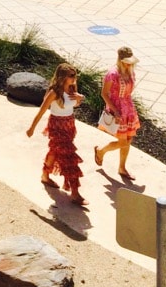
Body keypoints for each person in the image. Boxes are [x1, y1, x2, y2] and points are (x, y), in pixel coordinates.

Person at [26, 63, 86, 205]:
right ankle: (75, 192)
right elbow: (41, 111)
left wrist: (79, 99)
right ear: (63, 77)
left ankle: (45, 176)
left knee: (55, 151)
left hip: (69, 124)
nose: (74, 78)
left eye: (75, 75)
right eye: (71, 76)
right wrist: (32, 128)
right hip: (57, 126)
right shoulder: (54, 92)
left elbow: (73, 105)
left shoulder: (72, 88)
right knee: (70, 157)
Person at [95, 47, 141, 181]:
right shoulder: (112, 74)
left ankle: (122, 167)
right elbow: (104, 93)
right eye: (126, 62)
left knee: (128, 140)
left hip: (128, 109)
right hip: (117, 109)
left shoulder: (130, 72)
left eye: (130, 62)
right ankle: (100, 151)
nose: (129, 64)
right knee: (123, 142)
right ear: (120, 60)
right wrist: (114, 110)